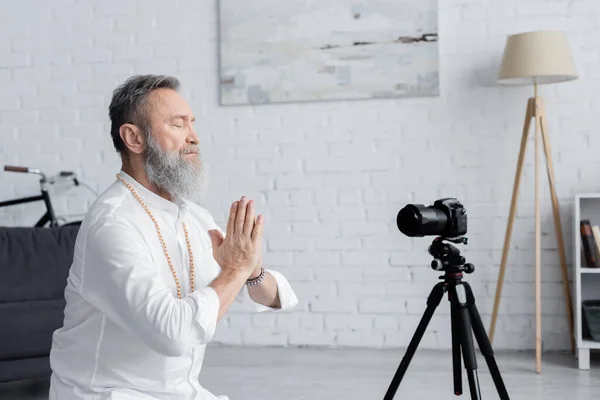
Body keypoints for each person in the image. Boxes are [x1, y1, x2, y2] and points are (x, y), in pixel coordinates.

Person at [48, 74, 299, 400]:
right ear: (134, 138)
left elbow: (273, 298)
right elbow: (173, 335)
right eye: (178, 125)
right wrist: (235, 271)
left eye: (192, 124)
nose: (194, 138)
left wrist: (252, 272)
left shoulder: (195, 217)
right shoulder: (112, 225)